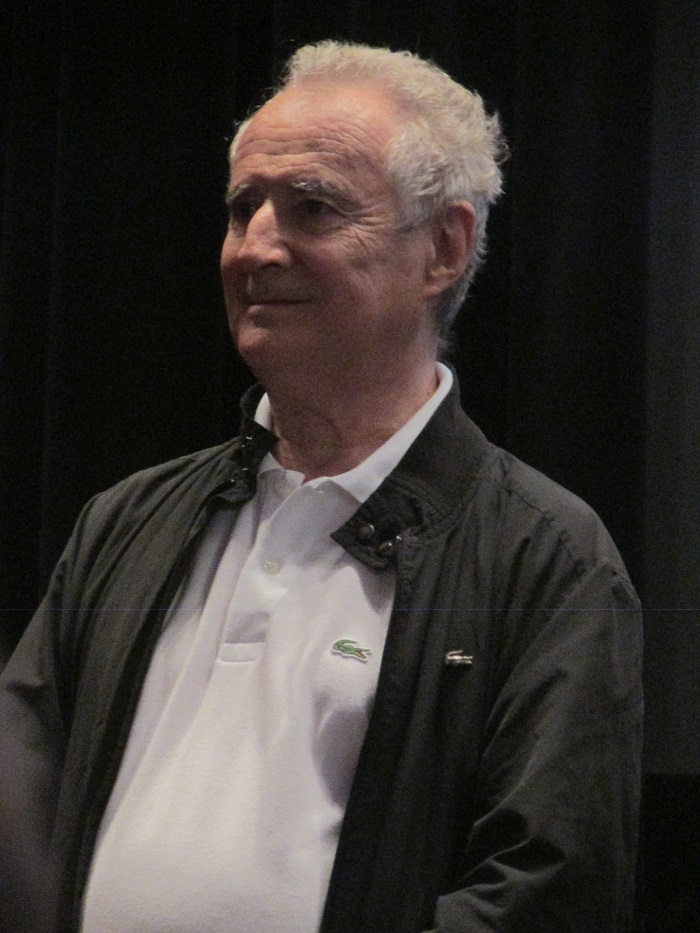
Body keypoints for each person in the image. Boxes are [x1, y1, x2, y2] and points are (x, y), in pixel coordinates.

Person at [0, 40, 643, 933]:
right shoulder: (127, 520)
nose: (256, 247)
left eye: (313, 207)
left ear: (442, 248)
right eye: (243, 208)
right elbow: (19, 800)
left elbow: (547, 891)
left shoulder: (547, 560)